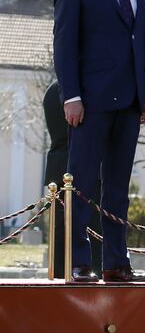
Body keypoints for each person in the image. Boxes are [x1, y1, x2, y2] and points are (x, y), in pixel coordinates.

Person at [52, 0, 145, 283]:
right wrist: (71, 95)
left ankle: (116, 261)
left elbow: (141, 43)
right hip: (90, 101)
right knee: (80, 183)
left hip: (130, 101)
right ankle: (79, 261)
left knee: (117, 186)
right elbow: (64, 45)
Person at [41, 80, 70, 275]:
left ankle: (59, 273)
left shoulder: (52, 91)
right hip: (78, 171)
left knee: (60, 233)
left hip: (58, 169)